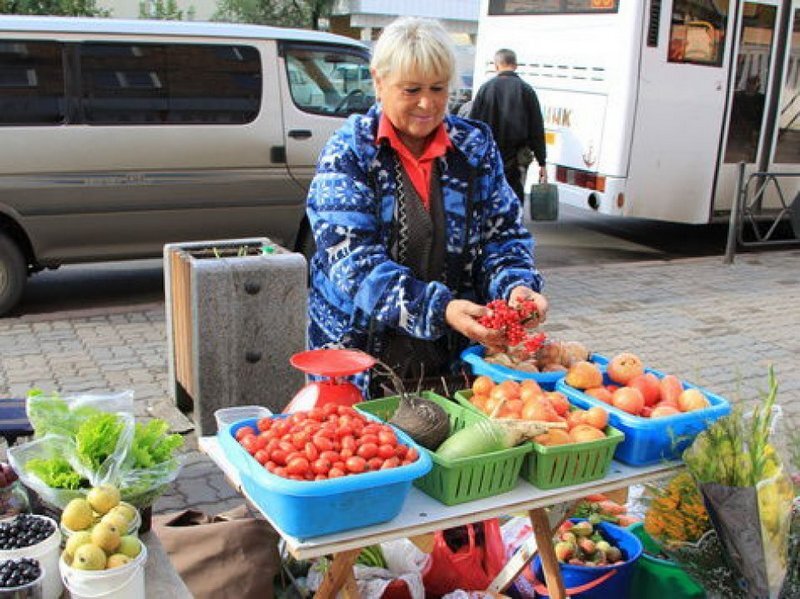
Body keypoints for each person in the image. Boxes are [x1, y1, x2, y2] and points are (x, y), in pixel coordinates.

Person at [306, 17, 548, 397]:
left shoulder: (474, 148)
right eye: (411, 89)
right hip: (358, 356)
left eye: (438, 88)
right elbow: (351, 261)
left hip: (452, 356)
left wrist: (515, 285)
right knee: (369, 451)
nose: (428, 103)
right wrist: (438, 309)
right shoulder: (350, 153)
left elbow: (502, 237)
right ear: (378, 80)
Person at [469, 48, 547, 202]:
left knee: (488, 197)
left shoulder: (486, 89)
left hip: (488, 155)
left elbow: (473, 125)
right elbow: (536, 128)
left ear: (496, 65)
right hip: (517, 158)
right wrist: (542, 161)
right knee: (514, 196)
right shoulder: (526, 90)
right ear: (515, 65)